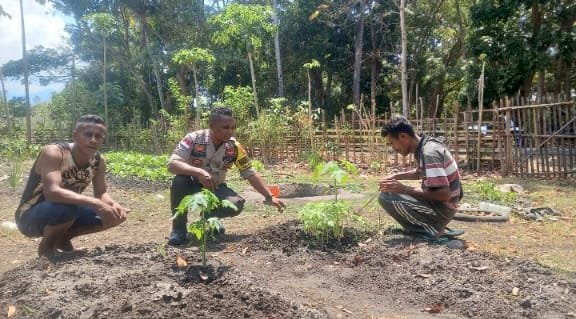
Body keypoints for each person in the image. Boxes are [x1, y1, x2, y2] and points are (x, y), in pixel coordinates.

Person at [167, 107, 286, 246]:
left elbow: (249, 172)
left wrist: (269, 196)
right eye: (225, 127)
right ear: (211, 126)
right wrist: (199, 172)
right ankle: (178, 230)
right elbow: (172, 164)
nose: (230, 131)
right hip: (191, 186)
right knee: (179, 181)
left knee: (236, 204)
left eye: (232, 128)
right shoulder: (193, 139)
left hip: (215, 188)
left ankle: (211, 219)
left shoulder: (234, 147)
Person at [14, 115, 129, 258]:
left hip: (67, 210)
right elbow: (52, 193)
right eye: (88, 134)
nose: (93, 139)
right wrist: (96, 203)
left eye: (98, 136)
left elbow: (101, 192)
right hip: (30, 216)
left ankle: (62, 239)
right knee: (67, 208)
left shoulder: (98, 160)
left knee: (115, 215)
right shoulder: (55, 152)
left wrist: (112, 204)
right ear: (75, 135)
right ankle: (47, 250)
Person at [378, 116, 463, 240]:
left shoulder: (429, 153)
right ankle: (427, 227)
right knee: (389, 193)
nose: (393, 148)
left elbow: (444, 195)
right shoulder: (425, 145)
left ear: (403, 137)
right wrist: (395, 176)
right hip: (443, 205)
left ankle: (433, 229)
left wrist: (404, 189)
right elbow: (420, 173)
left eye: (392, 143)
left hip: (442, 209)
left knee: (385, 197)